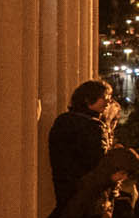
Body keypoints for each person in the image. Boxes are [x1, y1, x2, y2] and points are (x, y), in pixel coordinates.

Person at [49, 78, 118, 208]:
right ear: (88, 99)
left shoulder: (62, 121)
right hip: (89, 194)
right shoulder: (93, 126)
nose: (108, 102)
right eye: (104, 97)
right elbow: (100, 163)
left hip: (64, 188)